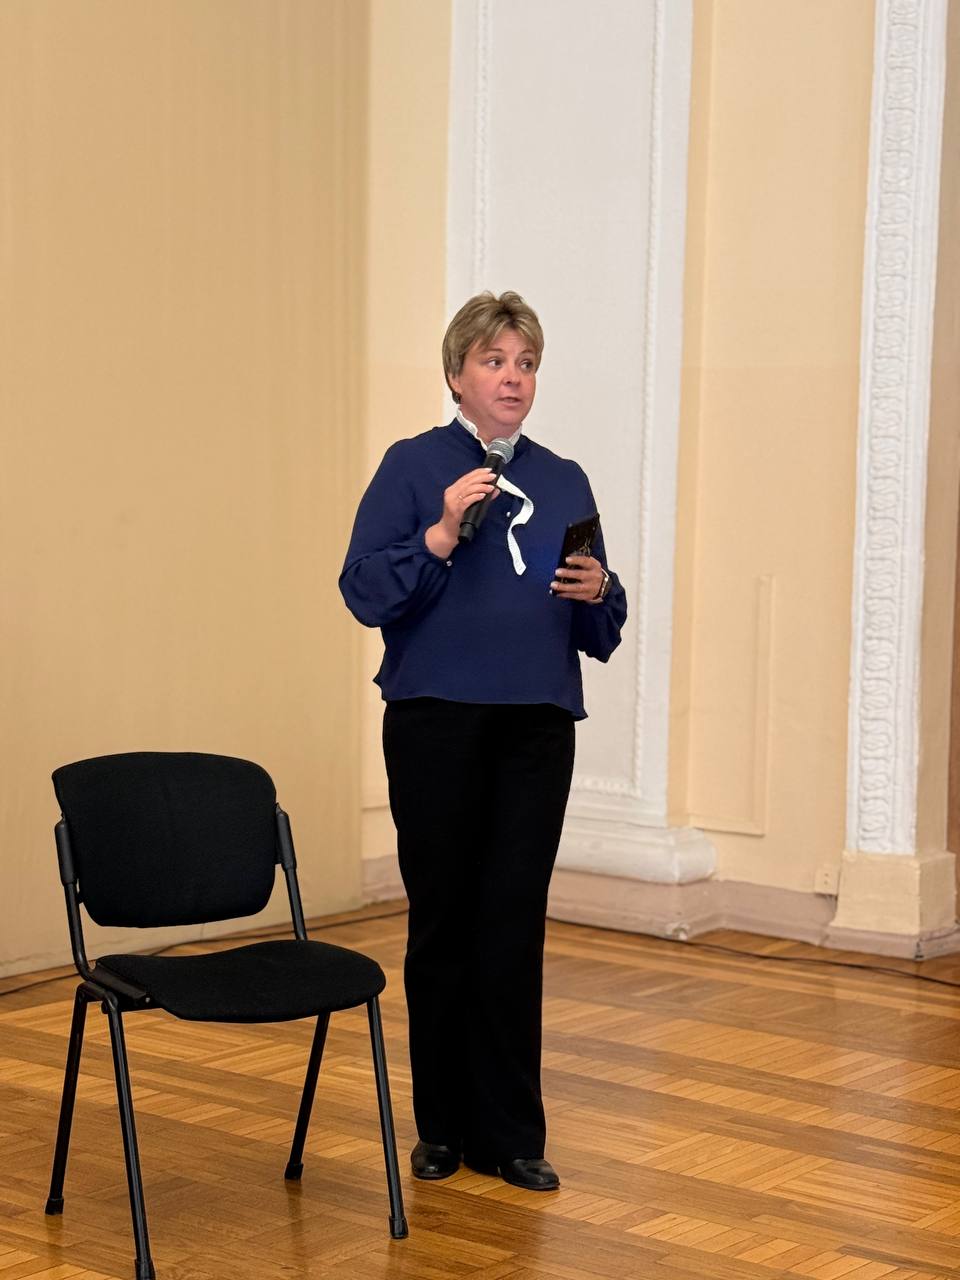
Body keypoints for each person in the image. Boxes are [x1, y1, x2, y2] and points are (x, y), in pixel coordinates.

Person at [339, 291, 626, 1192]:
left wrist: (600, 591)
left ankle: (513, 1134)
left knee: (512, 920)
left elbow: (602, 626)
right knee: (444, 920)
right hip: (436, 719)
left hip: (536, 723)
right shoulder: (413, 465)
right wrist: (436, 534)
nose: (513, 378)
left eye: (526, 363)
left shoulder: (566, 478)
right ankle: (442, 1127)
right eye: (495, 362)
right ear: (456, 375)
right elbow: (363, 591)